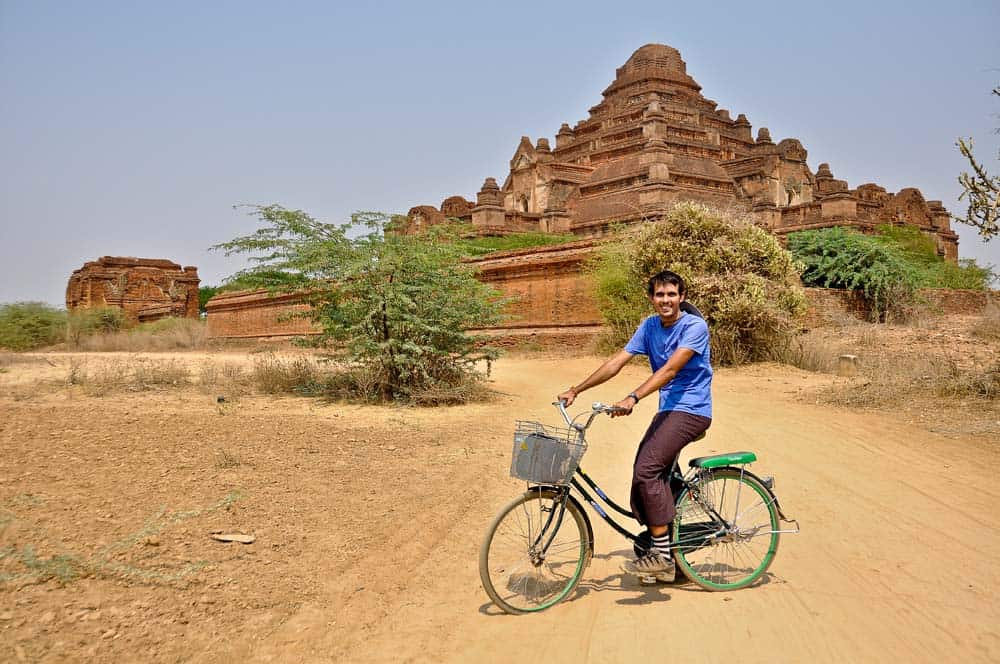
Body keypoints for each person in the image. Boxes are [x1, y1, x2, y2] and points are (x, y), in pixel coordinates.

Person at [557, 270, 712, 575]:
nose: (665, 300)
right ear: (651, 298)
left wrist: (633, 397)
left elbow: (669, 371)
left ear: (681, 297)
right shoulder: (650, 326)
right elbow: (616, 362)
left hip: (693, 410)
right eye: (659, 295)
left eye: (671, 294)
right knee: (645, 472)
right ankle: (667, 550)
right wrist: (576, 389)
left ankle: (663, 556)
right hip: (669, 409)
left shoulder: (695, 327)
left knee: (647, 469)